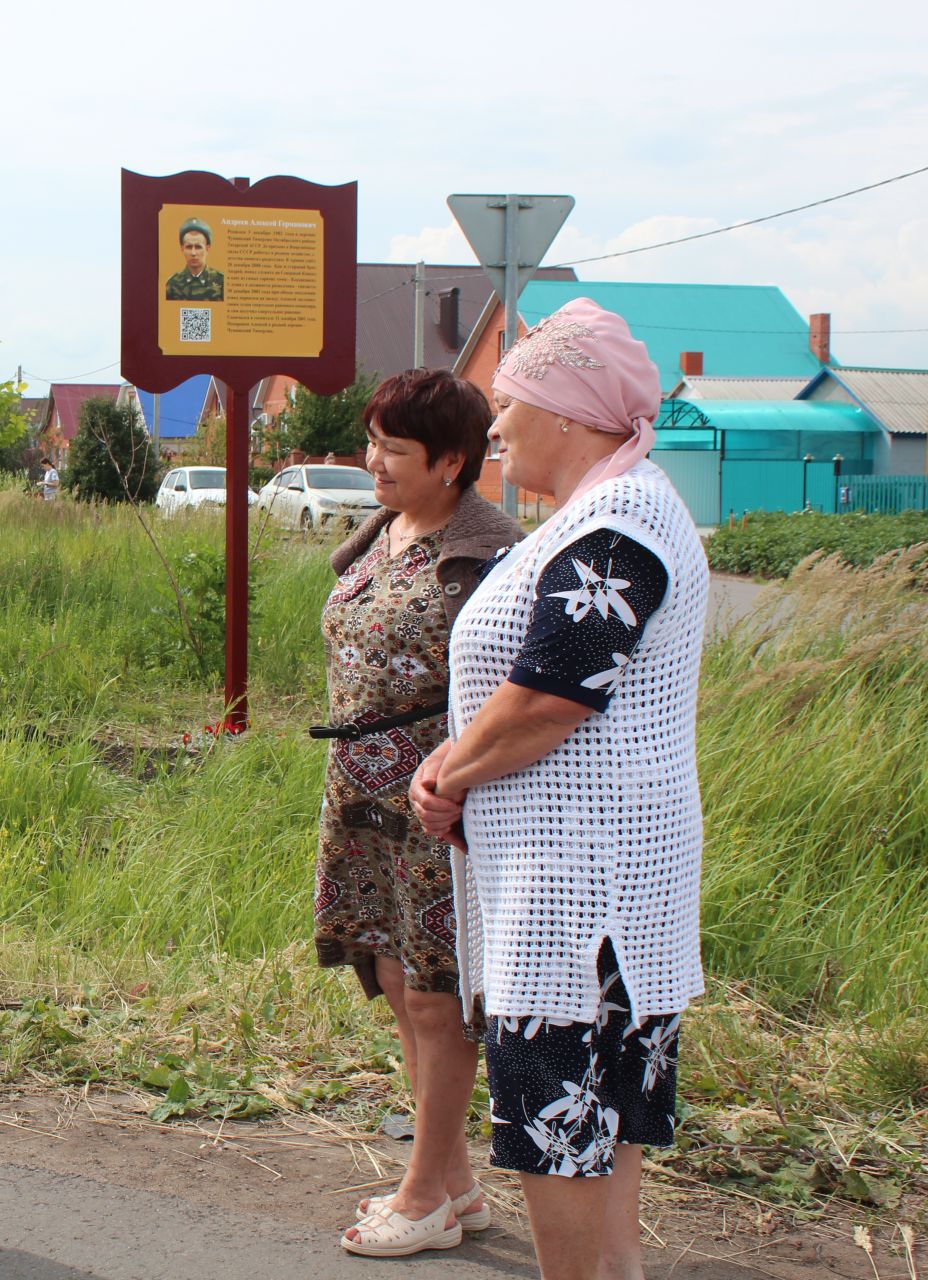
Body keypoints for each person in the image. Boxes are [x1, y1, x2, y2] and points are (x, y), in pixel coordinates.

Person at [412, 298, 708, 1280]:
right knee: (599, 1217)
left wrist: (449, 771)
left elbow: (549, 697)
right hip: (593, 905)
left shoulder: (619, 522)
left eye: (509, 401)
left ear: (572, 411)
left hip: (581, 916)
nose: (493, 424)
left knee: (573, 1209)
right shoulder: (606, 512)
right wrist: (455, 760)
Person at [313, 369, 522, 1258]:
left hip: (440, 800)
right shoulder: (383, 530)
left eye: (393, 450)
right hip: (362, 794)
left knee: (437, 998)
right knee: (399, 985)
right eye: (373, 443)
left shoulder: (496, 554)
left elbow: (512, 689)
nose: (372, 463)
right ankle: (457, 1182)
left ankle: (424, 1193)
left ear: (452, 462)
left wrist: (457, 774)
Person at [164, 218, 226, 301]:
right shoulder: (172, 284)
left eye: (198, 247)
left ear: (207, 249)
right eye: (189, 247)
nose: (193, 253)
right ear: (182, 249)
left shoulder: (222, 282)